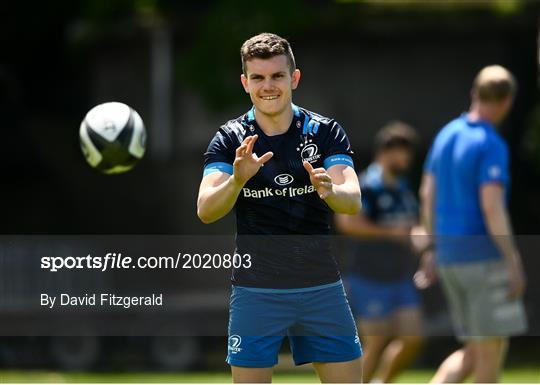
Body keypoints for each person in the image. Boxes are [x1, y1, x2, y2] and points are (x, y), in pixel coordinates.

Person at [197, 33, 363, 383]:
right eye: (257, 78)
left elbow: (352, 201)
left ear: (294, 78)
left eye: (277, 76)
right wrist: (237, 181)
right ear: (245, 83)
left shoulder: (325, 132)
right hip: (256, 289)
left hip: (320, 286)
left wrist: (330, 190)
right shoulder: (230, 139)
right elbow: (206, 210)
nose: (267, 86)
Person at [418, 65, 527, 383]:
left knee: (474, 350)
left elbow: (427, 194)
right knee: (490, 355)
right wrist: (512, 260)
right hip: (482, 259)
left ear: (473, 94)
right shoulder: (491, 144)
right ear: (507, 101)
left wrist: (432, 247)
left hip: (450, 258)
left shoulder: (447, 134)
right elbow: (492, 208)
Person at [335, 122, 423, 383]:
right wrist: (390, 233)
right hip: (369, 276)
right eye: (402, 152)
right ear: (386, 152)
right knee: (377, 341)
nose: (407, 158)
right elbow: (347, 223)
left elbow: (411, 225)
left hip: (401, 275)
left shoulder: (403, 189)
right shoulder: (366, 185)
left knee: (413, 337)